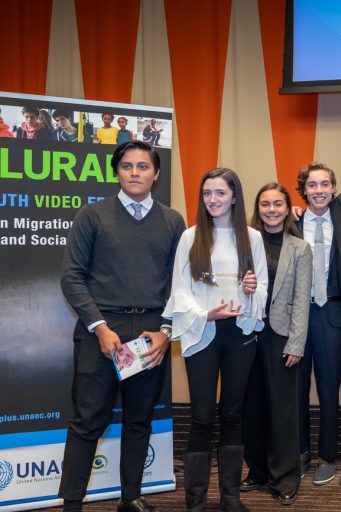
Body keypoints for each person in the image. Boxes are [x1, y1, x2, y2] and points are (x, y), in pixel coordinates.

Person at [58, 140, 186, 512]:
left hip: (149, 333)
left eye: (143, 166)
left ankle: (130, 497)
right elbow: (72, 278)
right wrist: (99, 327)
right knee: (87, 421)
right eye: (127, 166)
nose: (134, 173)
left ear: (156, 173)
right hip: (101, 331)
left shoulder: (172, 221)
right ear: (116, 172)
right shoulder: (92, 215)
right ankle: (72, 504)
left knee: (139, 420)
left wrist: (165, 332)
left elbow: (180, 284)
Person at [164, 168, 269, 511]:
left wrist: (251, 291)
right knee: (202, 415)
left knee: (233, 413)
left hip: (239, 333)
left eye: (220, 193)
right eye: (207, 193)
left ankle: (230, 497)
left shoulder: (252, 238)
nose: (212, 199)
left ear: (234, 197)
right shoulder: (190, 236)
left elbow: (262, 288)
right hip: (202, 333)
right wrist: (205, 314)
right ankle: (195, 500)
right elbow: (180, 290)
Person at [242, 183, 312, 506]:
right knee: (251, 406)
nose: (271, 210)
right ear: (258, 209)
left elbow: (301, 300)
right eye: (265, 204)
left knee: (283, 409)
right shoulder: (244, 242)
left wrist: (296, 343)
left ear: (287, 209)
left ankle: (285, 477)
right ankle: (257, 472)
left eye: (278, 204)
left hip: (281, 336)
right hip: (246, 331)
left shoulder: (300, 248)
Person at [292, 162, 341, 486]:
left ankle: (328, 456)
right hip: (297, 314)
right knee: (297, 388)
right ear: (304, 190)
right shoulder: (292, 222)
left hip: (330, 312)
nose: (319, 190)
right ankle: (300, 451)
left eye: (325, 184)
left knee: (328, 388)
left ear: (333, 188)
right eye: (312, 185)